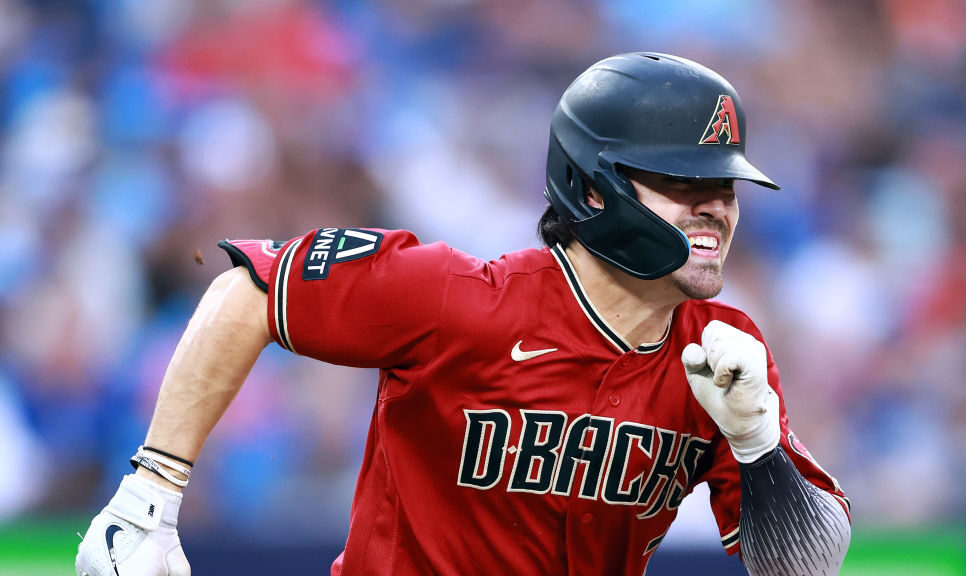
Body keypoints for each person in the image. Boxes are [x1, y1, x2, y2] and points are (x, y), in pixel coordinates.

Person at [76, 52, 851, 576]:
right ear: (591, 189)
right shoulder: (459, 298)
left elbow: (805, 565)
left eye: (725, 188)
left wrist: (759, 446)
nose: (715, 208)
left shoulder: (724, 351)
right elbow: (250, 291)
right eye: (685, 184)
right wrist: (152, 491)